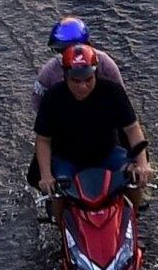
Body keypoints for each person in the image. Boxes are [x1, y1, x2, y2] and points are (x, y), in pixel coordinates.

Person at [31, 33, 146, 200]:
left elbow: (132, 128)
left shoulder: (113, 91)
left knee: (133, 180)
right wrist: (46, 175)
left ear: (96, 73)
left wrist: (142, 164)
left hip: (108, 154)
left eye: (88, 80)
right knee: (58, 195)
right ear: (65, 75)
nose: (82, 87)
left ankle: (133, 215)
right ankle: (60, 221)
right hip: (67, 159)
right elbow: (43, 139)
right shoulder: (52, 98)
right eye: (76, 81)